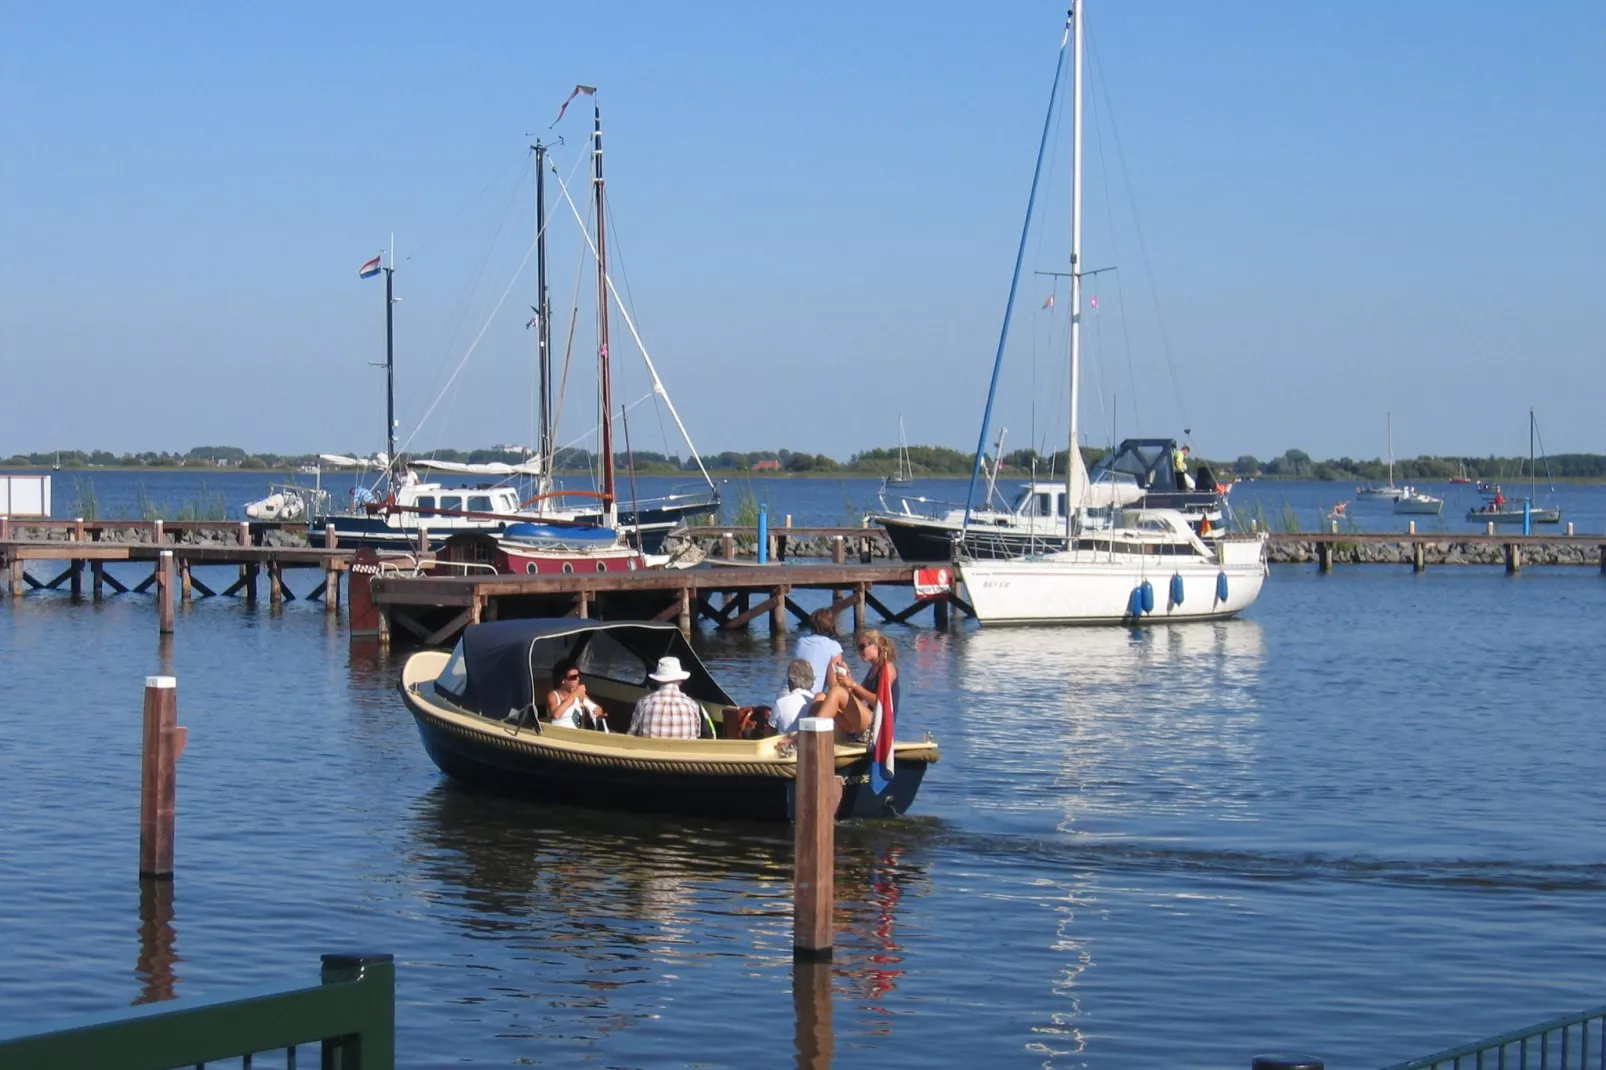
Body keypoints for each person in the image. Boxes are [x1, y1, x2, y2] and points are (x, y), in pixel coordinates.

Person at [812, 629, 899, 742]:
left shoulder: (887, 668)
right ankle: (807, 734)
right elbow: (857, 697)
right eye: (858, 648)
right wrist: (847, 679)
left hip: (880, 727)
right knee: (820, 697)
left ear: (875, 646)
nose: (859, 651)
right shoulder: (873, 669)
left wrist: (852, 684)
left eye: (862, 647)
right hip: (866, 722)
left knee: (837, 692)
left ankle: (808, 736)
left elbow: (880, 701)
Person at [628, 656, 704, 739]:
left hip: (652, 751)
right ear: (680, 681)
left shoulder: (644, 702)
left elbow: (631, 734)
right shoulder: (692, 705)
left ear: (658, 680)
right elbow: (696, 734)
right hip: (683, 751)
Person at [794, 609, 844, 698]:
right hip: (809, 699)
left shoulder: (800, 642)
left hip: (786, 695)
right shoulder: (834, 647)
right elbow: (834, 686)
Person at [546, 663, 604, 730]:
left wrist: (598, 710)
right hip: (559, 733)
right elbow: (556, 715)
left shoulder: (579, 695)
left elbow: (594, 707)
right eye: (573, 677)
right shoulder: (553, 695)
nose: (578, 679)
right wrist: (574, 694)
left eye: (578, 676)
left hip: (577, 734)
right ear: (563, 680)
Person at [770, 659, 818, 735]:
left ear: (791, 682)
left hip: (785, 744)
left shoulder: (780, 703)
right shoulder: (816, 702)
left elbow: (771, 732)